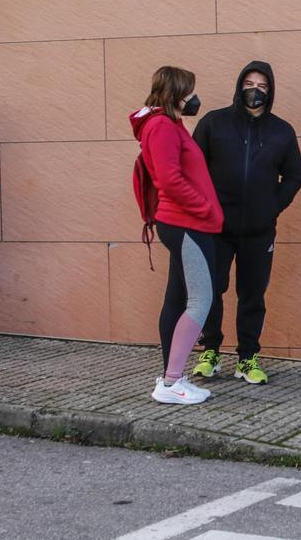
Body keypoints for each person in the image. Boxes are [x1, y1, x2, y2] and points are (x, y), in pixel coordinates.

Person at [191, 61, 301, 385]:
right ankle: (209, 351)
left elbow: (295, 176)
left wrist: (272, 207)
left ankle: (247, 357)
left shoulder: (282, 131)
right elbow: (194, 169)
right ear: (239, 85)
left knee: (253, 295)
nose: (255, 90)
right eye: (249, 83)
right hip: (215, 229)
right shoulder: (214, 123)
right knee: (211, 289)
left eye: (263, 86)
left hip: (259, 230)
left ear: (270, 92)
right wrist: (205, 208)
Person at [130, 66, 224, 405]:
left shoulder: (167, 125)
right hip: (187, 224)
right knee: (201, 301)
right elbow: (169, 180)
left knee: (177, 299)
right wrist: (207, 210)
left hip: (187, 223)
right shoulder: (162, 127)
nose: (194, 98)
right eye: (190, 91)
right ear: (175, 94)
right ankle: (171, 382)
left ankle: (172, 376)